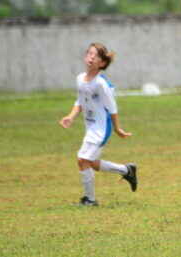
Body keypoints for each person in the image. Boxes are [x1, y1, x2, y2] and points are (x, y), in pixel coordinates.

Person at [59, 43, 137, 206]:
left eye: (96, 55)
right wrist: (71, 116)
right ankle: (126, 170)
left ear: (102, 63)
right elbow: (80, 101)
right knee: (91, 163)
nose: (91, 57)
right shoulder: (80, 79)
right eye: (89, 53)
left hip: (102, 128)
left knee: (82, 160)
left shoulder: (101, 84)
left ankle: (90, 200)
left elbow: (112, 108)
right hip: (90, 127)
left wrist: (117, 129)